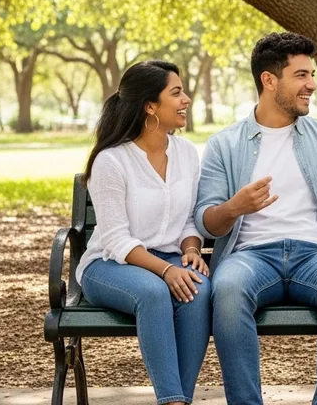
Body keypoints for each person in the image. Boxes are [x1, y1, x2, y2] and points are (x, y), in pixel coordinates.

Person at [194, 32, 317, 405]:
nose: (311, 84)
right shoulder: (224, 144)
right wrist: (235, 207)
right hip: (251, 257)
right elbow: (206, 222)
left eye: (311, 75)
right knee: (227, 290)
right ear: (269, 80)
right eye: (301, 75)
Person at [76, 60, 211, 405]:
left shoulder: (186, 153)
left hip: (168, 259)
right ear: (151, 106)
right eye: (176, 93)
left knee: (198, 290)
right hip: (110, 265)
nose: (186, 100)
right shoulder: (112, 161)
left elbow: (188, 220)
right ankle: (174, 401)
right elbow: (117, 240)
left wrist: (192, 250)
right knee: (153, 292)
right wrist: (166, 270)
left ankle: (180, 399)